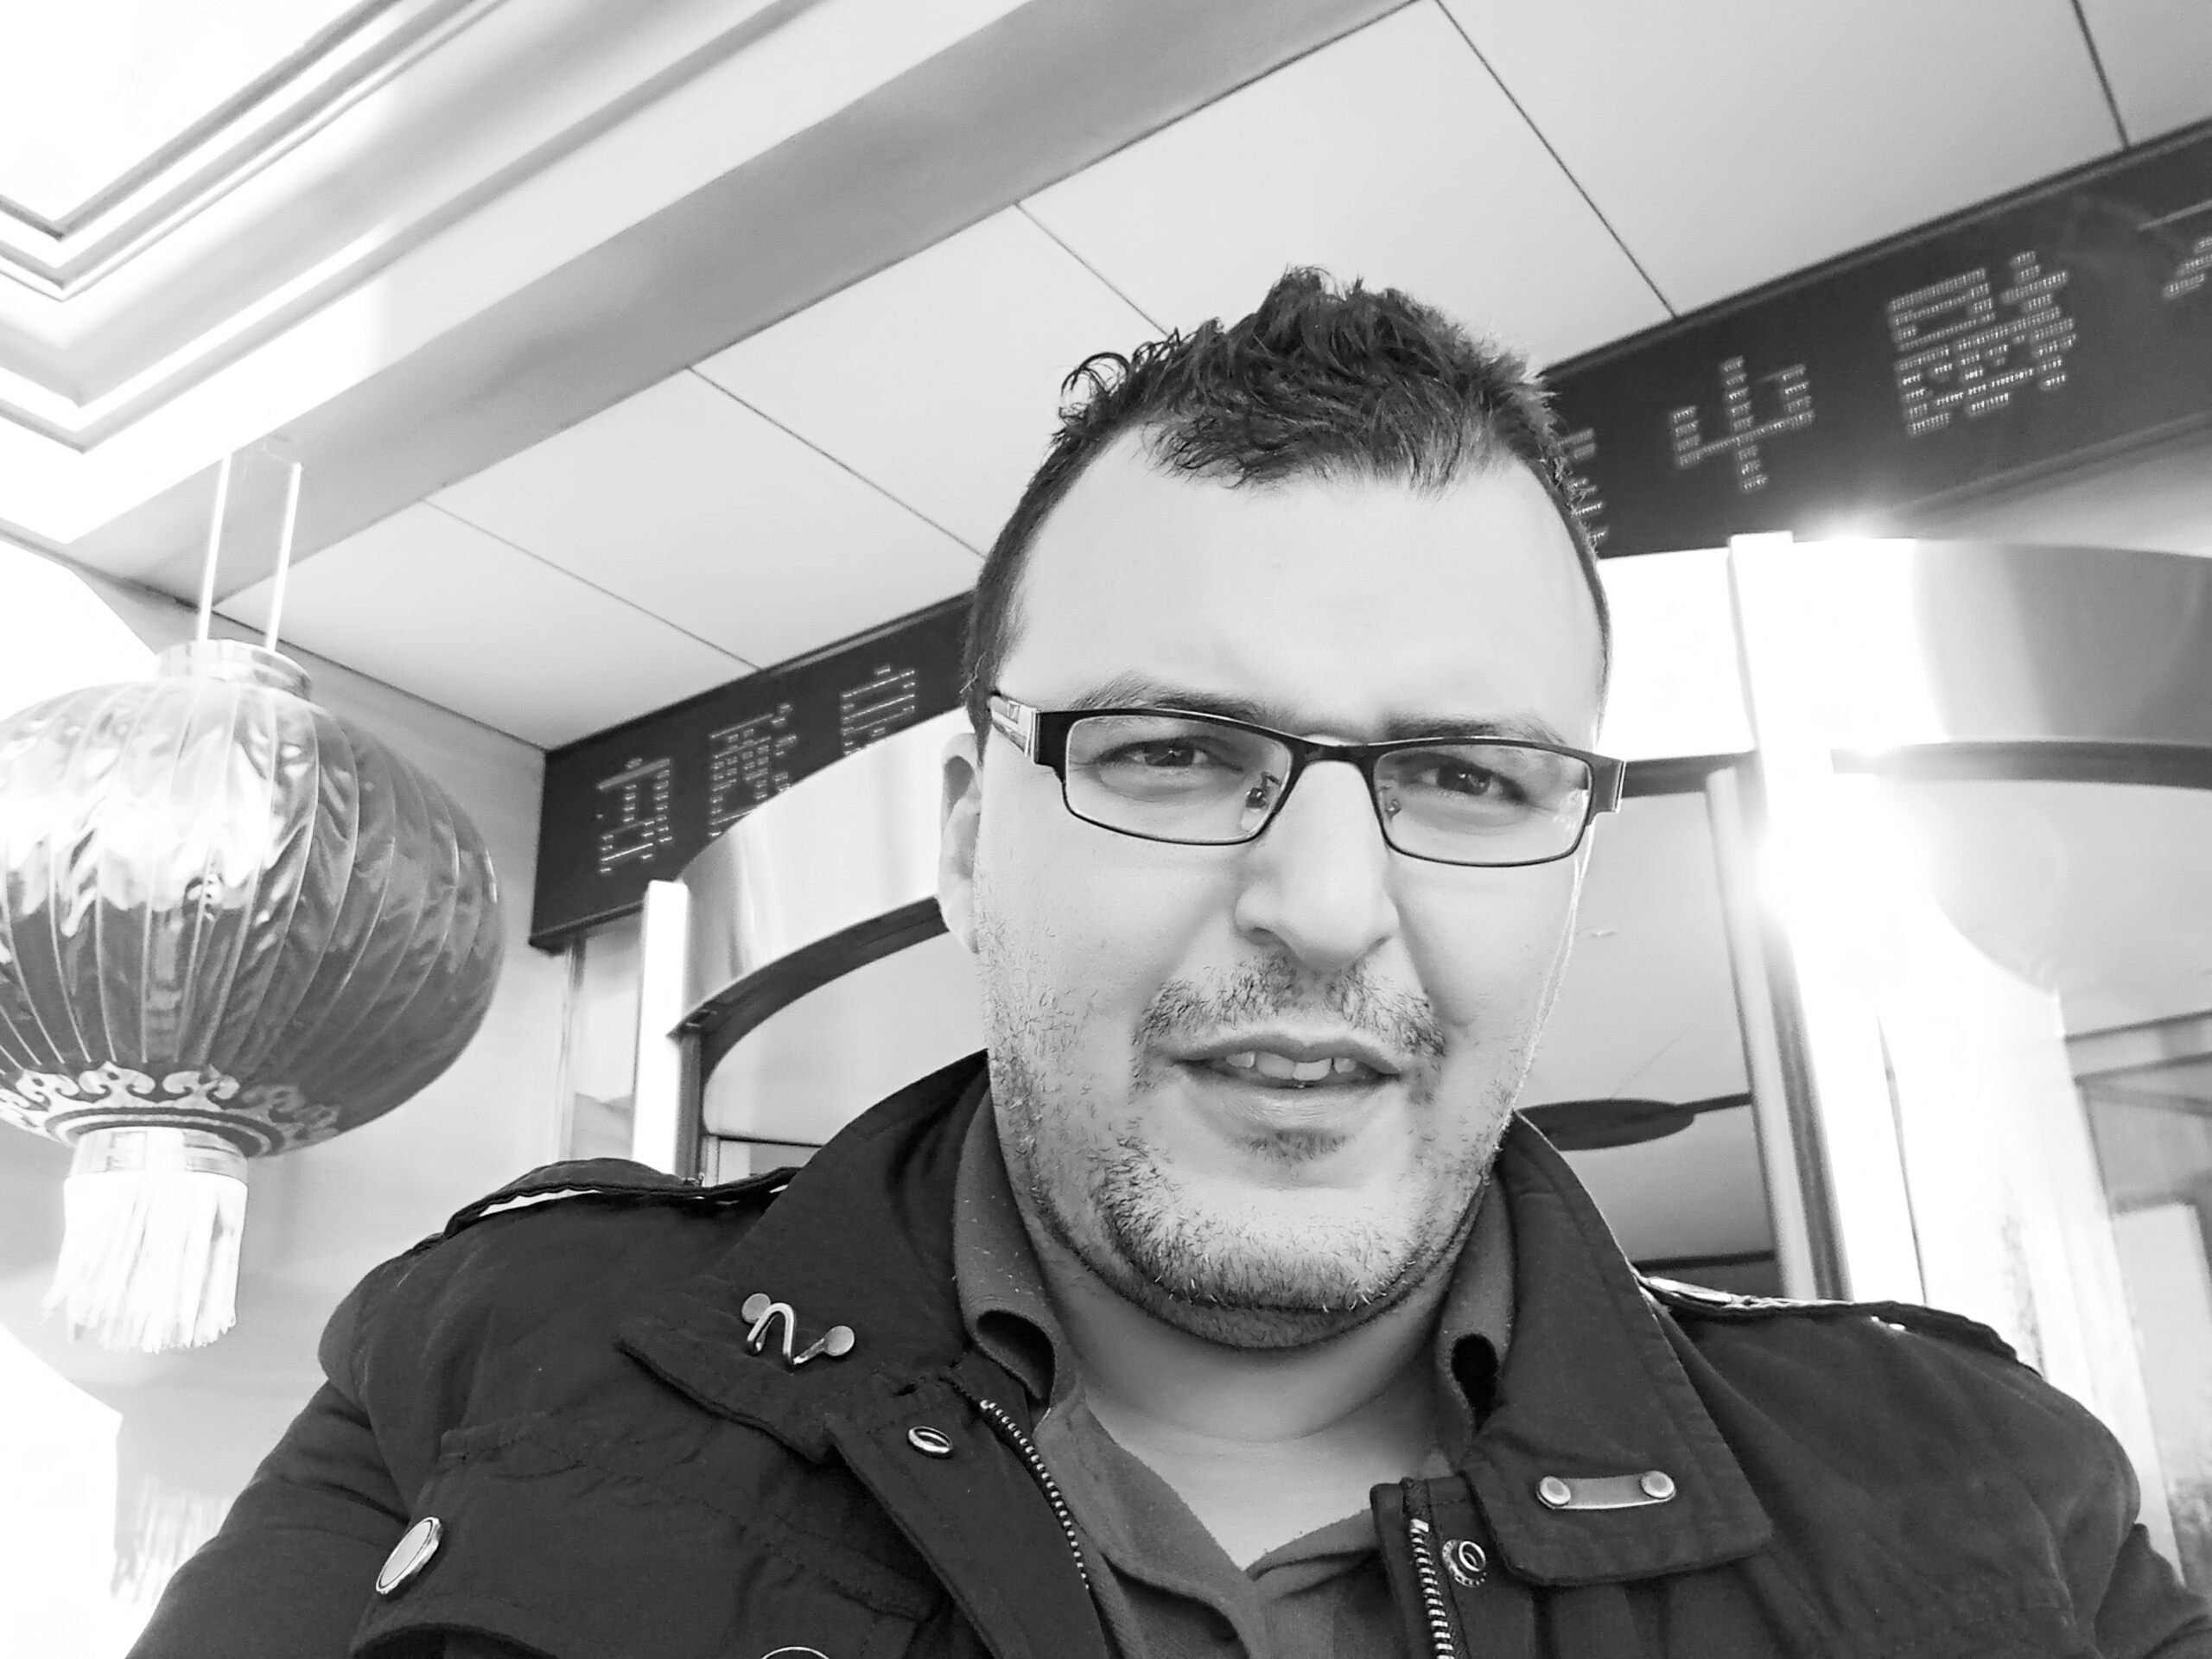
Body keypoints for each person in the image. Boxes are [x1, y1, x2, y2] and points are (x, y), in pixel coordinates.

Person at [134, 270, 2212, 1659]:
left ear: (1569, 864)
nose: (1322, 903)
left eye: (1465, 775)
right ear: (969, 844)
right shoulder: (491, 1366)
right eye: (1174, 753)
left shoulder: (1984, 1503)